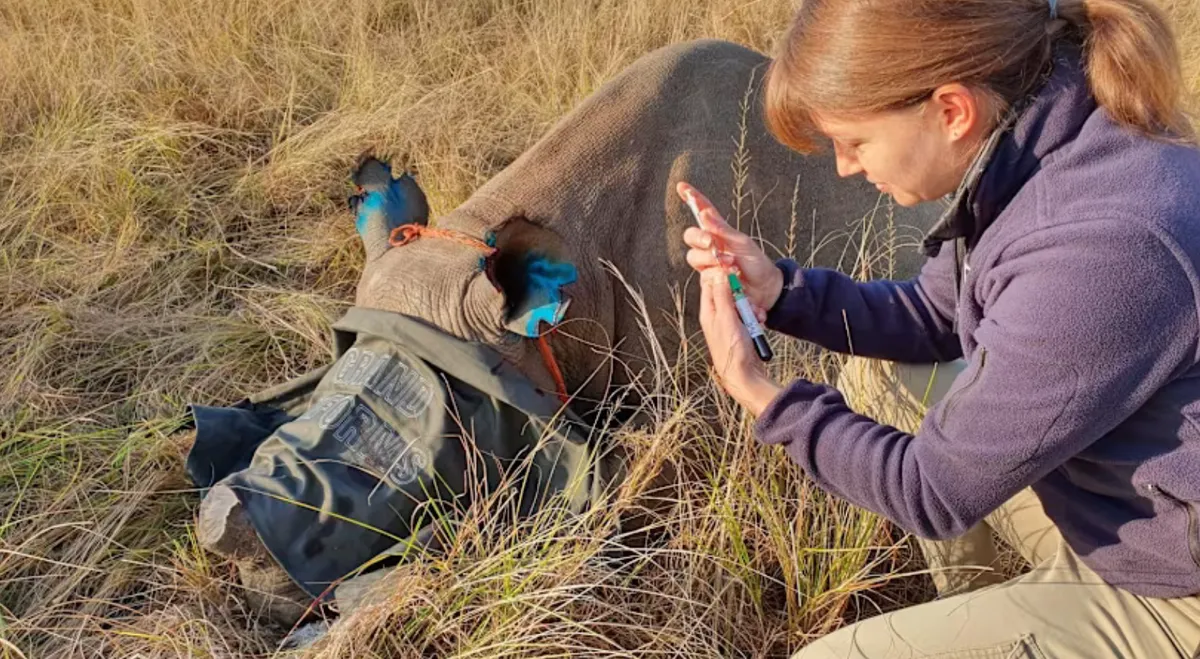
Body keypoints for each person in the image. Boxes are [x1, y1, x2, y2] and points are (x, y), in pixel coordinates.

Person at [680, 0, 1200, 657]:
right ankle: (981, 608)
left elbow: (928, 491)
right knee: (882, 378)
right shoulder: (1036, 147)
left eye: (854, 141)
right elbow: (933, 317)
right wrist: (782, 292)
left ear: (952, 110)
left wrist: (758, 391)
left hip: (1173, 586)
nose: (844, 166)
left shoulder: (1102, 247)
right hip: (1121, 511)